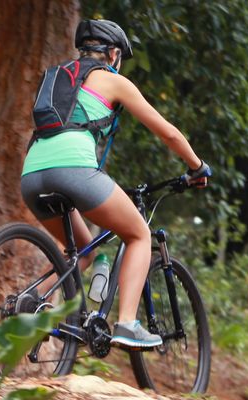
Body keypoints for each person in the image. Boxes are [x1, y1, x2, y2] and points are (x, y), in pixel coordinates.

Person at [20, 19, 211, 349]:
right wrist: (197, 166)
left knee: (84, 249)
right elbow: (168, 132)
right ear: (112, 53)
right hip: (74, 170)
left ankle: (31, 301)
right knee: (138, 234)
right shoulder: (113, 81)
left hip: (31, 174)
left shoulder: (56, 77)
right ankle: (127, 324)